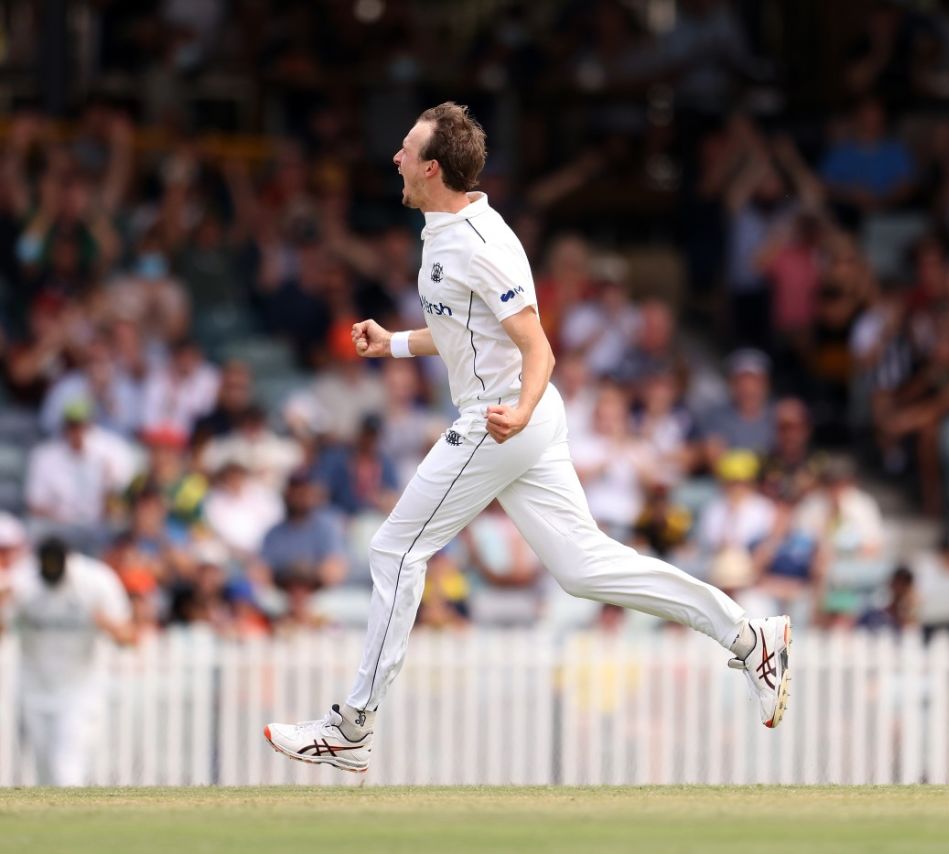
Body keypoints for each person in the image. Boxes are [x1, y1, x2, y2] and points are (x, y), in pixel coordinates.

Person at [265, 103, 791, 773]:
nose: (393, 159)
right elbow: (464, 331)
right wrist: (393, 343)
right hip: (523, 419)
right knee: (582, 567)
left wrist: (518, 410)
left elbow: (537, 346)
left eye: (404, 150)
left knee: (395, 550)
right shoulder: (447, 232)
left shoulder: (478, 244)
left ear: (431, 168)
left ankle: (353, 727)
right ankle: (750, 637)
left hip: (502, 417)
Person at [0, 535, 134, 786]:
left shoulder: (95, 581)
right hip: (34, 690)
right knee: (44, 770)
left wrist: (107, 624)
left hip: (80, 690)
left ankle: (73, 822)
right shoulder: (22, 581)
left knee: (67, 766)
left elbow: (129, 637)